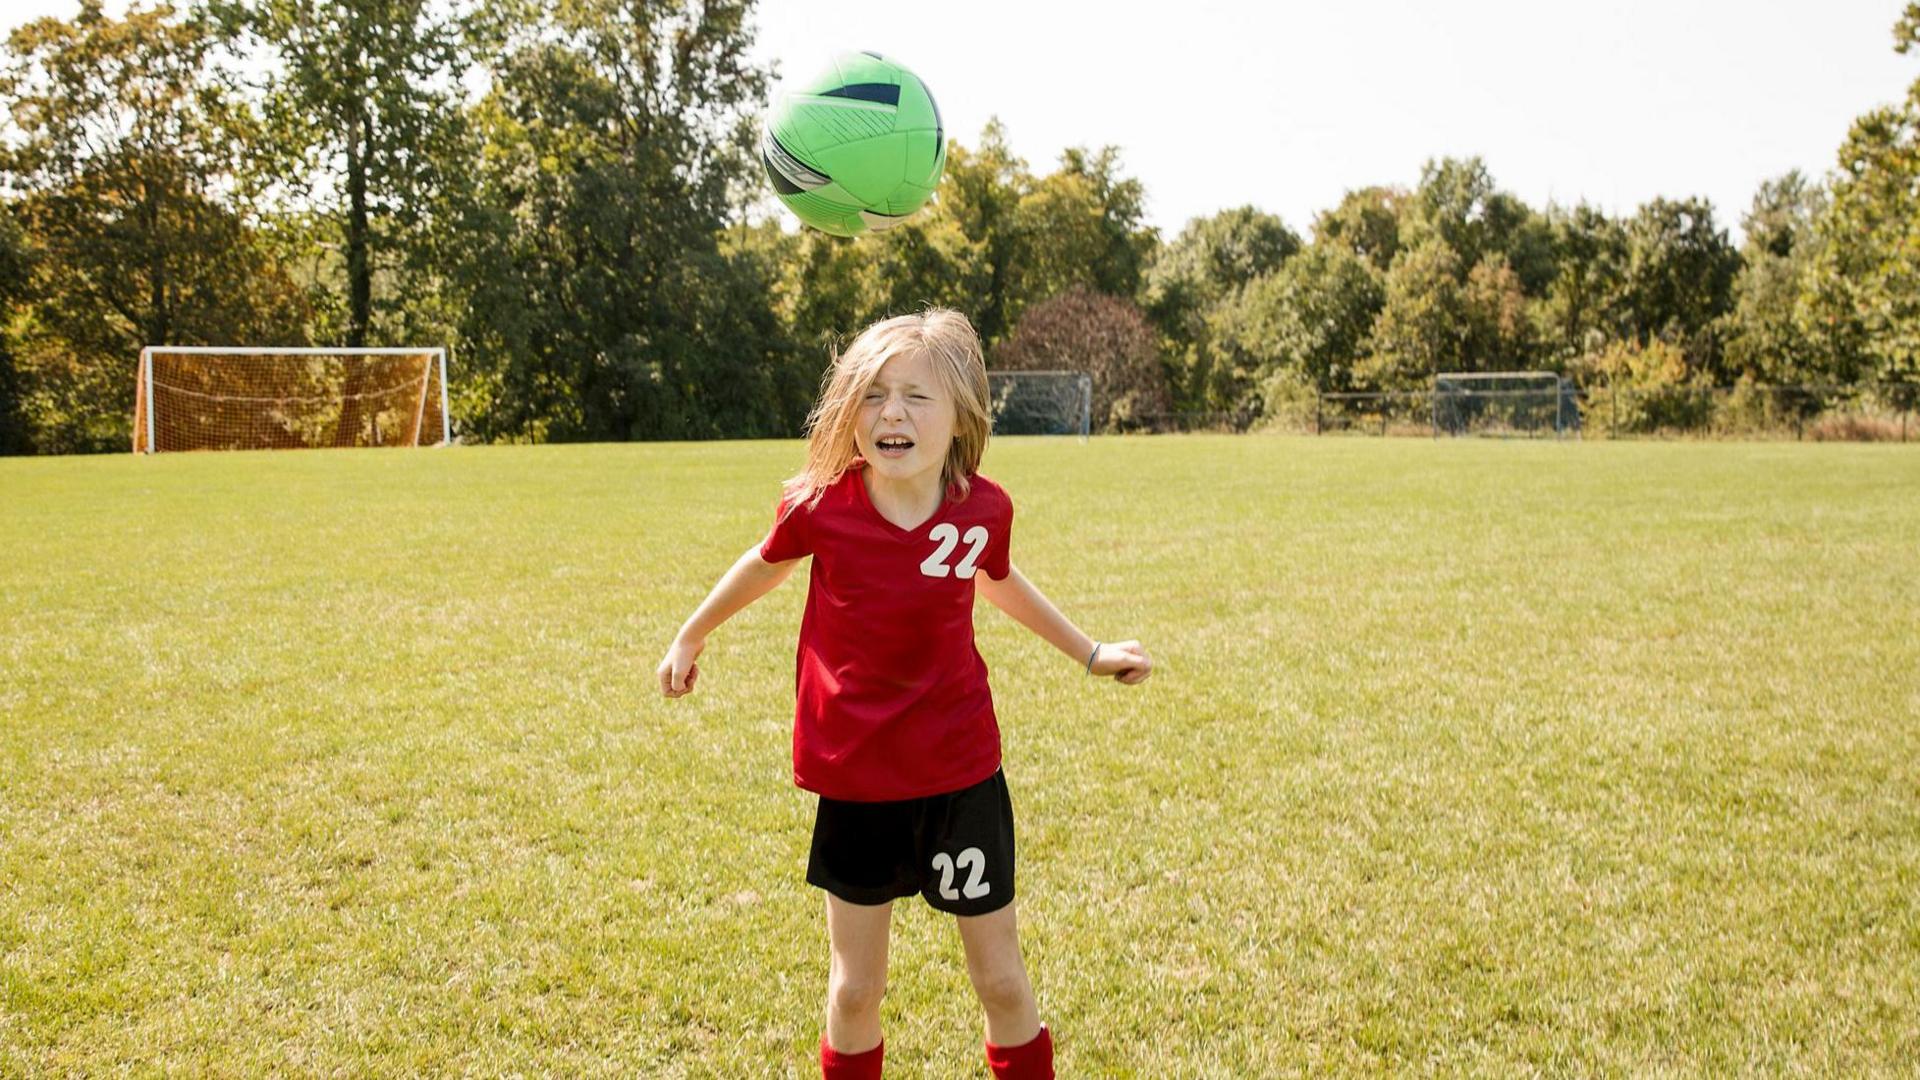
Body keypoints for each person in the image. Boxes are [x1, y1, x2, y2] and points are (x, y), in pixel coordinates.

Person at [657, 309, 1151, 1079]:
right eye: (875, 394)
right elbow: (764, 563)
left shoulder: (983, 509)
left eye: (917, 397)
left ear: (960, 416)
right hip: (857, 779)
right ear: (850, 409)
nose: (893, 413)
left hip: (960, 775)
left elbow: (999, 581)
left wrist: (1089, 653)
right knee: (856, 989)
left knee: (1000, 979)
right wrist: (692, 633)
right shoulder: (820, 506)